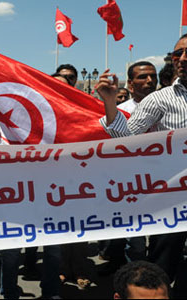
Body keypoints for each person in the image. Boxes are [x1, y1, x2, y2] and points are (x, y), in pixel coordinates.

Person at [96, 33, 187, 297]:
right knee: (162, 269)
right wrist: (111, 102)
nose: (181, 59)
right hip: (172, 201)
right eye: (176, 54)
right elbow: (127, 139)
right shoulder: (160, 99)